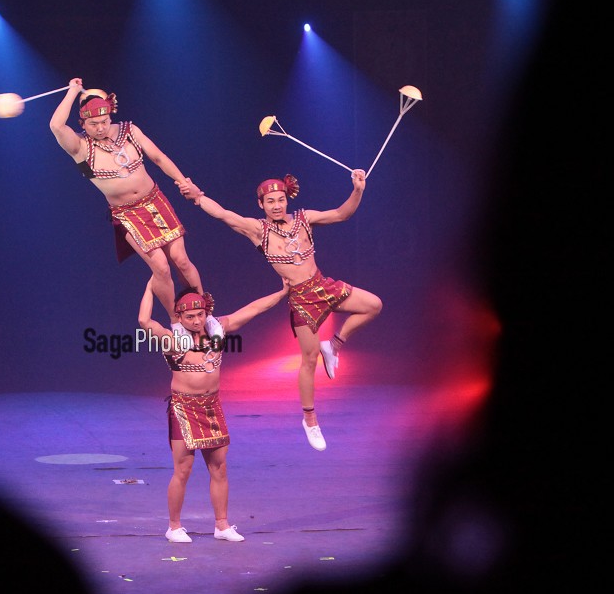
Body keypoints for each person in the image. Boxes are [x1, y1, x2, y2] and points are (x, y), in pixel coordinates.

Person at [177, 170, 382, 451]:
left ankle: (334, 345)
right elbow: (224, 215)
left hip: (323, 285)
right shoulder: (258, 230)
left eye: (281, 199)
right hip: (301, 298)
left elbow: (340, 214)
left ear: (287, 200)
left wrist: (358, 190)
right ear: (261, 204)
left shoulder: (304, 219)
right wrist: (197, 197)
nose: (276, 205)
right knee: (308, 360)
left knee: (373, 305)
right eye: (270, 201)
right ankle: (310, 420)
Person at [51, 78, 223, 343]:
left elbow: (158, 157)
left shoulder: (129, 131)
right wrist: (73, 91)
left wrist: (183, 182)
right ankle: (176, 322)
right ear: (83, 124)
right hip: (126, 213)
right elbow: (55, 125)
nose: (100, 127)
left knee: (181, 260)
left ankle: (204, 313)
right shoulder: (79, 147)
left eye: (104, 121)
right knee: (161, 267)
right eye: (93, 124)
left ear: (110, 115)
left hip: (154, 200)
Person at [137, 279, 289, 542]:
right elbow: (144, 322)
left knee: (219, 468)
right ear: (180, 316)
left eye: (200, 314)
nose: (196, 320)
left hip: (211, 408)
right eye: (190, 316)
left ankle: (222, 525)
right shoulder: (173, 339)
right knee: (183, 470)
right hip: (184, 409)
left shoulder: (218, 329)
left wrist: (282, 292)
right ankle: (173, 527)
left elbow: (253, 309)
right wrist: (151, 287)